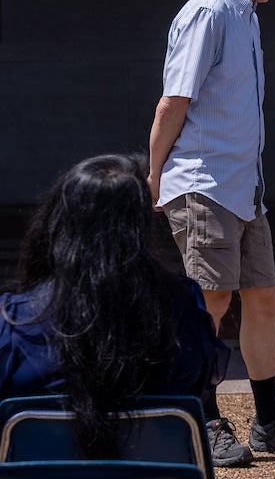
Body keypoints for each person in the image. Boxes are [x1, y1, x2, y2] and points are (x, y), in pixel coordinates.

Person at [147, 0, 275, 466]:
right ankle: (201, 419)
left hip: (243, 188)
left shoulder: (243, 11)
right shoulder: (208, 11)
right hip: (203, 183)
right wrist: (155, 174)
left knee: (263, 299)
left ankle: (268, 421)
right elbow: (175, 100)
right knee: (209, 304)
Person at [0, 154, 228, 458]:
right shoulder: (183, 309)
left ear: (58, 222)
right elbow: (196, 389)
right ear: (140, 224)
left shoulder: (14, 321)